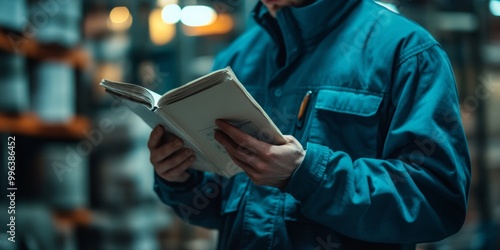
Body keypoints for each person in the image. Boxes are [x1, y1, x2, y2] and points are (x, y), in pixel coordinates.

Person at [148, 0, 471, 249]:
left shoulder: (407, 52)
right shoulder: (235, 60)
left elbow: (436, 200)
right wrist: (180, 179)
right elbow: (218, 209)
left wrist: (307, 176)